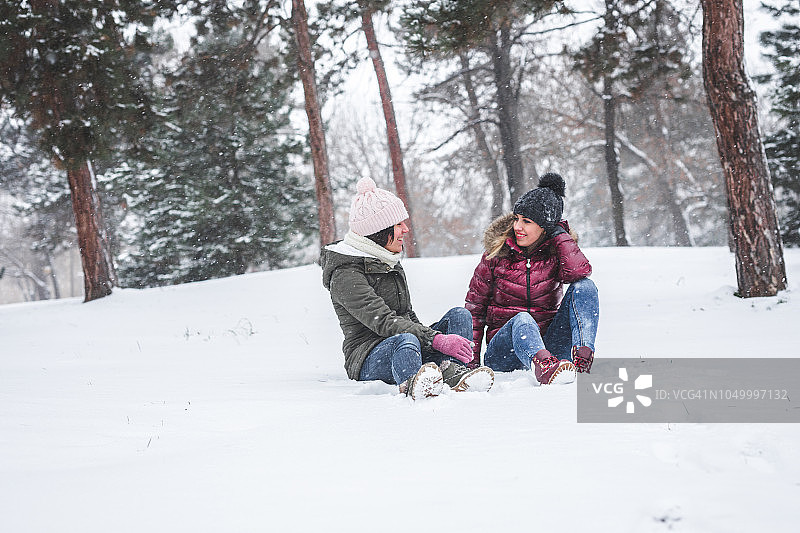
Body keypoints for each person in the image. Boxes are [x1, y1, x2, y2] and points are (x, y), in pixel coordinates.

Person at [321, 177, 495, 400]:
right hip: (367, 357)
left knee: (458, 316)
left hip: (405, 340)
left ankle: (453, 372)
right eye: (399, 225)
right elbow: (385, 322)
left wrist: (430, 340)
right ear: (379, 230)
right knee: (406, 339)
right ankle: (414, 383)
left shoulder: (388, 259)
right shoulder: (345, 274)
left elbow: (407, 315)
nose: (405, 229)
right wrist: (436, 340)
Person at [465, 172, 599, 385]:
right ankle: (543, 367)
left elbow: (578, 274)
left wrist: (559, 236)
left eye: (526, 222)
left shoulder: (555, 254)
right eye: (517, 219)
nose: (517, 227)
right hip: (504, 353)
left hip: (549, 348)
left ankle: (582, 355)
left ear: (545, 227)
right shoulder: (496, 255)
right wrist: (469, 364)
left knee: (585, 287)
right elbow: (475, 311)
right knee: (522, 319)